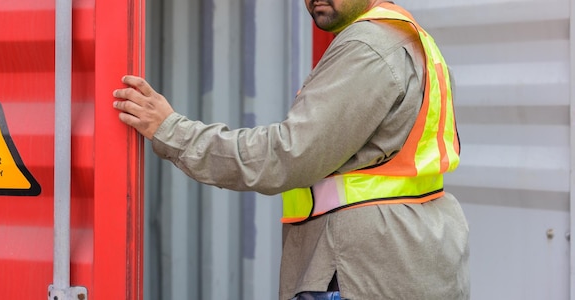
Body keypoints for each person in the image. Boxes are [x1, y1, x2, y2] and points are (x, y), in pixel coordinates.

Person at [112, 0, 470, 299]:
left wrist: (172, 130)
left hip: (363, 272)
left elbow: (287, 155)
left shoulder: (368, 47)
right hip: (412, 263)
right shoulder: (411, 39)